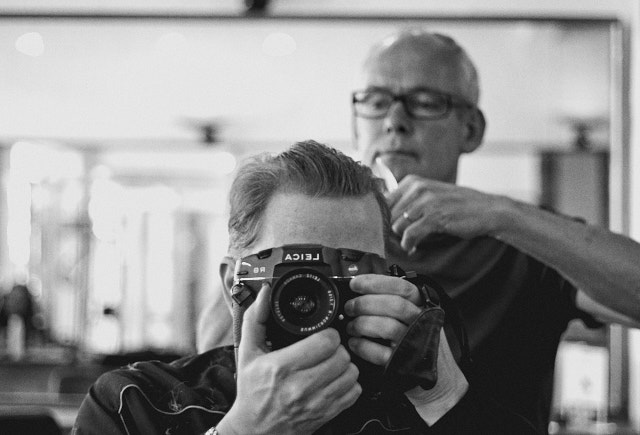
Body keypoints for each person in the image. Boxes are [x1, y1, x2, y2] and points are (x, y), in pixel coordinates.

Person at [198, 29, 640, 434]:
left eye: (426, 102)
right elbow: (216, 366)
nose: (394, 120)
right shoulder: (303, 248)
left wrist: (503, 215)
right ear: (356, 124)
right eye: (374, 100)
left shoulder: (520, 248)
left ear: (471, 129)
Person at [73, 141, 538, 434]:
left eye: (349, 268)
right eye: (293, 269)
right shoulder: (137, 405)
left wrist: (444, 397)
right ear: (231, 281)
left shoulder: (425, 404)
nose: (316, 294)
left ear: (391, 279)